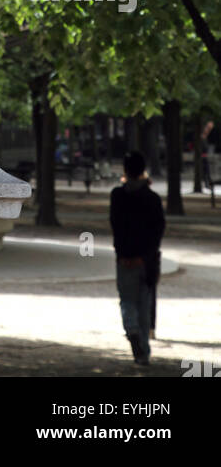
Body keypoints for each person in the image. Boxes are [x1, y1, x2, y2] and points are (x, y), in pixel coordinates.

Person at [110, 150, 165, 365]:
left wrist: (123, 253)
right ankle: (143, 352)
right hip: (147, 260)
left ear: (125, 170)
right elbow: (157, 229)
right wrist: (145, 255)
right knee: (144, 303)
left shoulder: (117, 195)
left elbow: (116, 225)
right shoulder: (151, 198)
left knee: (127, 300)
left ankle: (131, 329)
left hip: (124, 258)